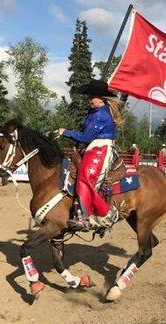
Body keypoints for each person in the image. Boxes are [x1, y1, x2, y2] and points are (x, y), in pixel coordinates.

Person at [57, 79, 124, 231]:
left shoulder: (101, 115)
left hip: (100, 149)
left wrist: (64, 132)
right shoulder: (95, 112)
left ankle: (92, 216)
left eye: (91, 97)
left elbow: (86, 137)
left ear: (100, 99)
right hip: (93, 147)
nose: (89, 100)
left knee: (85, 176)